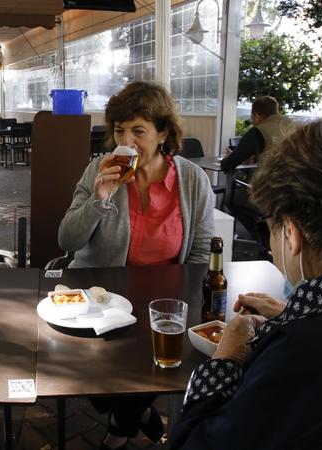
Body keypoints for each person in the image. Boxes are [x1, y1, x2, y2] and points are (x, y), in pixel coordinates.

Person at [169, 115, 322, 449]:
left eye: (270, 227)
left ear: (292, 234)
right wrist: (292, 314)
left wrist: (224, 362)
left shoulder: (303, 354)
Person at [58, 81, 215, 449]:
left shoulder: (191, 179)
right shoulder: (99, 168)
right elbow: (67, 240)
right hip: (102, 297)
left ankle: (121, 426)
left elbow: (203, 251)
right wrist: (98, 199)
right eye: (119, 131)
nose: (125, 140)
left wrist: (181, 297)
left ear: (163, 133)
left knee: (160, 356)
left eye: (138, 131)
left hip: (165, 298)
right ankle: (137, 415)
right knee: (98, 384)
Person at [220, 96, 293, 172]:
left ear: (256, 115)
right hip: (299, 180)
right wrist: (254, 159)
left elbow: (229, 164)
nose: (253, 121)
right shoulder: (292, 125)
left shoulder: (259, 130)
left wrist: (227, 158)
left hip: (273, 180)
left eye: (252, 117)